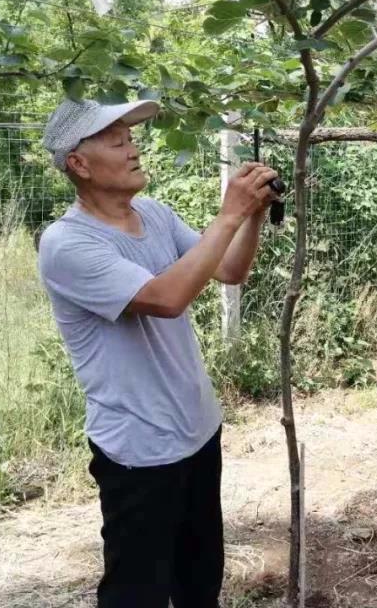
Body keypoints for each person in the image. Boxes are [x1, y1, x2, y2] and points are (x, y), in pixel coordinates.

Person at [37, 97, 281, 608]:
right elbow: (166, 299)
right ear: (78, 164)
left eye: (131, 137)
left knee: (199, 584)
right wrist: (228, 212)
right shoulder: (67, 244)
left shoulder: (153, 213)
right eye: (116, 140)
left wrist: (251, 214)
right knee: (137, 593)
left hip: (197, 432)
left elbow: (229, 271)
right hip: (139, 450)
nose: (133, 148)